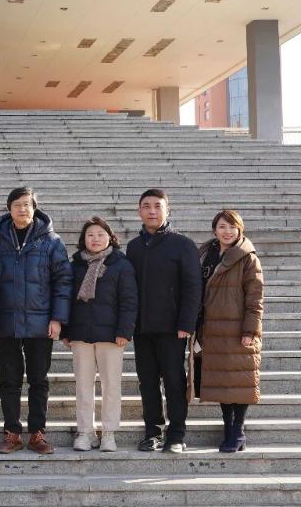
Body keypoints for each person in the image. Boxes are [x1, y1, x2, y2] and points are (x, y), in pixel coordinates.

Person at [0, 186, 73, 455]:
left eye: (27, 204)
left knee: (39, 380)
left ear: (35, 208)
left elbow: (63, 281)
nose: (22, 209)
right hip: (7, 322)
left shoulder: (52, 242)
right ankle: (12, 433)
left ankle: (37, 433)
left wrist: (58, 318)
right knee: (9, 380)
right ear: (9, 209)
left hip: (40, 324)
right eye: (17, 205)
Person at [126, 189, 202, 454]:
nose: (152, 211)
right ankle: (153, 432)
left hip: (172, 328)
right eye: (146, 206)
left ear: (167, 210)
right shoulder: (134, 247)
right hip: (142, 328)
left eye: (157, 206)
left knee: (174, 381)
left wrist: (187, 323)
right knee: (147, 382)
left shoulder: (183, 244)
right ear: (139, 211)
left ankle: (177, 434)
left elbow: (193, 287)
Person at [63, 217, 138, 453]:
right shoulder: (74, 265)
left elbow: (129, 301)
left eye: (100, 234)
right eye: (90, 235)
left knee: (111, 385)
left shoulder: (121, 265)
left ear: (110, 238)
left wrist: (125, 331)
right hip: (80, 334)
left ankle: (108, 433)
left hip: (112, 336)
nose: (95, 239)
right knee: (83, 386)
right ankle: (85, 432)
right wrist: (65, 330)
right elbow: (66, 298)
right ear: (83, 239)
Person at [193, 209, 264, 453]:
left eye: (232, 227)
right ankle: (228, 428)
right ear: (215, 230)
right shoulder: (205, 254)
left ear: (239, 229)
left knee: (240, 381)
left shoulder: (247, 258)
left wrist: (250, 331)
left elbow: (255, 299)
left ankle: (238, 431)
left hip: (237, 329)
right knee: (223, 381)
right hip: (211, 329)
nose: (227, 231)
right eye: (222, 226)